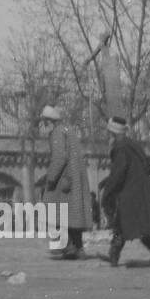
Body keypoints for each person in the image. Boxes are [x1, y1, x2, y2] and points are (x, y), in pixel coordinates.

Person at [100, 117, 150, 267]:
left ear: (113, 133)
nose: (107, 136)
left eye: (109, 133)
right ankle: (115, 254)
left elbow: (119, 174)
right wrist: (142, 185)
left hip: (129, 194)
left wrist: (108, 193)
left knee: (132, 225)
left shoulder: (120, 147)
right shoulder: (133, 145)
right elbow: (148, 168)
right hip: (139, 191)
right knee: (128, 225)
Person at [39, 104, 90, 259]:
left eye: (43, 123)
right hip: (74, 179)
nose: (42, 127)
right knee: (73, 214)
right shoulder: (69, 130)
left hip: (64, 180)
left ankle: (65, 247)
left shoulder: (57, 133)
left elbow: (59, 158)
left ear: (48, 122)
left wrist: (50, 179)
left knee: (53, 209)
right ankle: (78, 248)